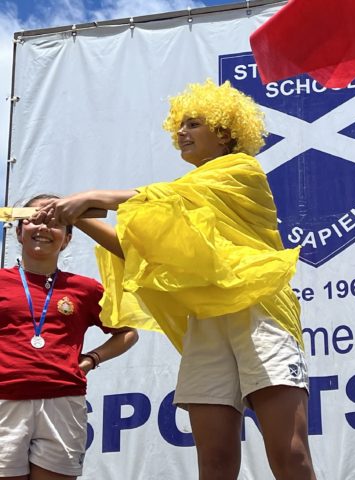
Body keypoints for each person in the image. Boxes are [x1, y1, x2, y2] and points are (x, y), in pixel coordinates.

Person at [33, 80, 316, 480]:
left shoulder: (240, 171)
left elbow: (165, 195)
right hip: (206, 324)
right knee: (214, 465)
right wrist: (75, 215)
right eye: (179, 125)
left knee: (291, 456)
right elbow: (135, 251)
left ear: (225, 133)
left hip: (261, 315)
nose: (181, 132)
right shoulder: (179, 198)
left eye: (193, 124)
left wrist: (92, 195)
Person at [0, 194, 139, 480]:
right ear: (19, 232)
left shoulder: (85, 289)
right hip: (5, 399)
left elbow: (128, 333)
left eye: (55, 222)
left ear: (66, 239)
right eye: (34, 219)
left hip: (63, 401)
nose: (43, 227)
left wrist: (91, 359)